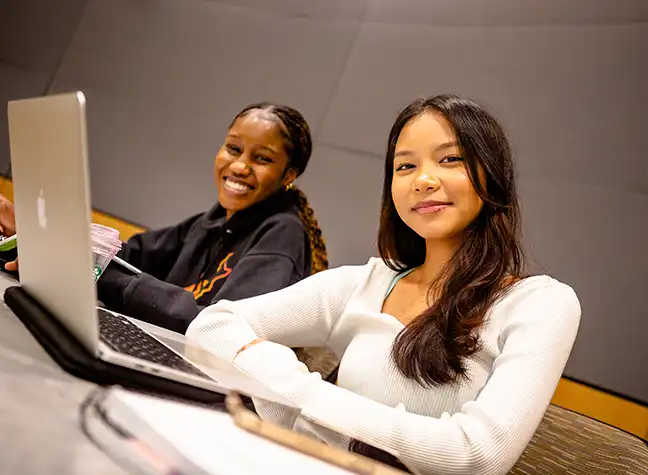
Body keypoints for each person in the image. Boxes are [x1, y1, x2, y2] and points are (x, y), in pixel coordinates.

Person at [186, 94, 582, 475]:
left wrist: (298, 397)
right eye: (405, 166)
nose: (423, 180)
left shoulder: (540, 304)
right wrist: (302, 395)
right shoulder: (367, 282)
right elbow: (211, 326)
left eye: (449, 159)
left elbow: (473, 456)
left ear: (492, 176)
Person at [0, 102, 329, 336]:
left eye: (261, 159)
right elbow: (129, 255)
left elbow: (221, 327)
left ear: (289, 174)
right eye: (233, 148)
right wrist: (40, 236)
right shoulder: (212, 220)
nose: (240, 166)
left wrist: (93, 269)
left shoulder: (283, 233)